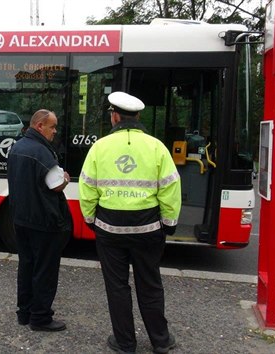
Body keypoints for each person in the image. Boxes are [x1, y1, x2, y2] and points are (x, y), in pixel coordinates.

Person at [79, 92, 181, 354]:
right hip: (148, 230)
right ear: (138, 116)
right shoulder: (157, 146)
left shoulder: (99, 147)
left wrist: (91, 219)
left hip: (109, 229)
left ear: (114, 116)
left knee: (117, 286)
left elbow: (87, 187)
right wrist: (168, 223)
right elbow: (170, 187)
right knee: (150, 284)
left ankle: (125, 343)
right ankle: (161, 340)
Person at [6, 109, 72, 332]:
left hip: (21, 219)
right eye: (52, 126)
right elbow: (55, 185)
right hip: (44, 222)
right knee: (44, 270)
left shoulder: (17, 147)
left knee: (26, 266)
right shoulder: (43, 152)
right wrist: (65, 179)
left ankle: (24, 313)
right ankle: (41, 318)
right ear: (40, 126)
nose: (55, 131)